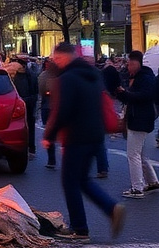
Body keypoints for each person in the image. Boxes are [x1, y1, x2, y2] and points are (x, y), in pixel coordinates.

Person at [42, 42, 125, 242]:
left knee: (70, 181)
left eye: (58, 59)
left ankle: (79, 229)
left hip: (76, 137)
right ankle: (112, 208)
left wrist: (49, 136)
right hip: (95, 136)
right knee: (83, 180)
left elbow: (62, 111)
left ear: (66, 57)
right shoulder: (93, 74)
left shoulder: (66, 79)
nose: (56, 62)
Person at [115, 50, 159, 199]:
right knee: (141, 154)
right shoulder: (141, 77)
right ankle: (152, 181)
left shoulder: (144, 78)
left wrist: (125, 93)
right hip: (142, 118)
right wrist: (123, 93)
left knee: (133, 154)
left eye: (130, 64)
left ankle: (137, 187)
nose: (128, 67)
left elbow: (142, 97)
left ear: (137, 63)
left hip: (139, 119)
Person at [6, 58, 38, 159]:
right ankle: (30, 149)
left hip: (19, 104)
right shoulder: (31, 75)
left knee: (20, 126)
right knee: (28, 126)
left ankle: (27, 148)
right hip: (26, 104)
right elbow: (35, 92)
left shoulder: (13, 76)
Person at [37, 59, 58, 169]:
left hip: (47, 107)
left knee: (50, 133)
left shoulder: (43, 75)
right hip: (58, 107)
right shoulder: (61, 75)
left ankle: (51, 160)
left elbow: (41, 90)